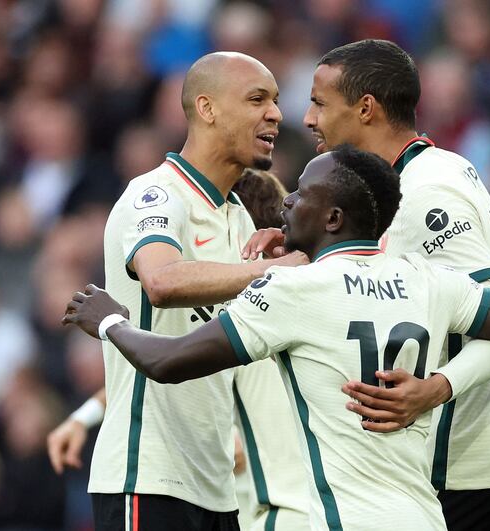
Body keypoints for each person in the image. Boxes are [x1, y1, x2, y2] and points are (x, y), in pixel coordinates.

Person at [63, 146, 490, 531]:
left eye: (302, 194)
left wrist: (110, 320)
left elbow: (170, 360)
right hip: (424, 518)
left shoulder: (294, 291)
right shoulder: (431, 281)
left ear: (334, 217)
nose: (287, 201)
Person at [241, 39, 490, 530]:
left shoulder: (428, 191)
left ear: (365, 108)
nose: (307, 118)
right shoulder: (409, 179)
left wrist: (434, 389)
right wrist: (303, 252)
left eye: (320, 103)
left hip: (478, 473)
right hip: (464, 469)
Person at [84, 51, 307, 531]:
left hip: (216, 485)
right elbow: (161, 281)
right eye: (256, 99)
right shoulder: (157, 193)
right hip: (148, 475)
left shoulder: (238, 217)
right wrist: (277, 270)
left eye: (273, 100)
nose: (276, 113)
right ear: (206, 109)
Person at [47, 165, 310, 530]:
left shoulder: (248, 322)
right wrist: (85, 415)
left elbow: (171, 359)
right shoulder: (309, 305)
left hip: (271, 516)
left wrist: (109, 323)